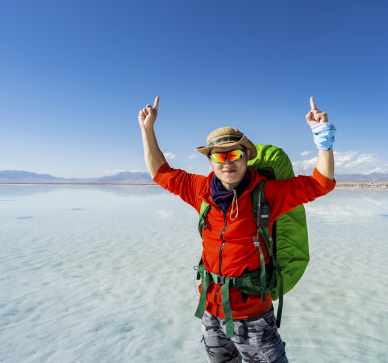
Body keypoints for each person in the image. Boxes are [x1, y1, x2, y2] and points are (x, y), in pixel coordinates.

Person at [139, 96, 336, 363]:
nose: (227, 162)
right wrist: (147, 129)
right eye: (220, 155)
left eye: (234, 154)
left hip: (253, 315)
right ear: (210, 161)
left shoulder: (267, 194)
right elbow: (160, 172)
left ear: (245, 157)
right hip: (210, 312)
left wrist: (322, 137)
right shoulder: (200, 190)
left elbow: (320, 184)